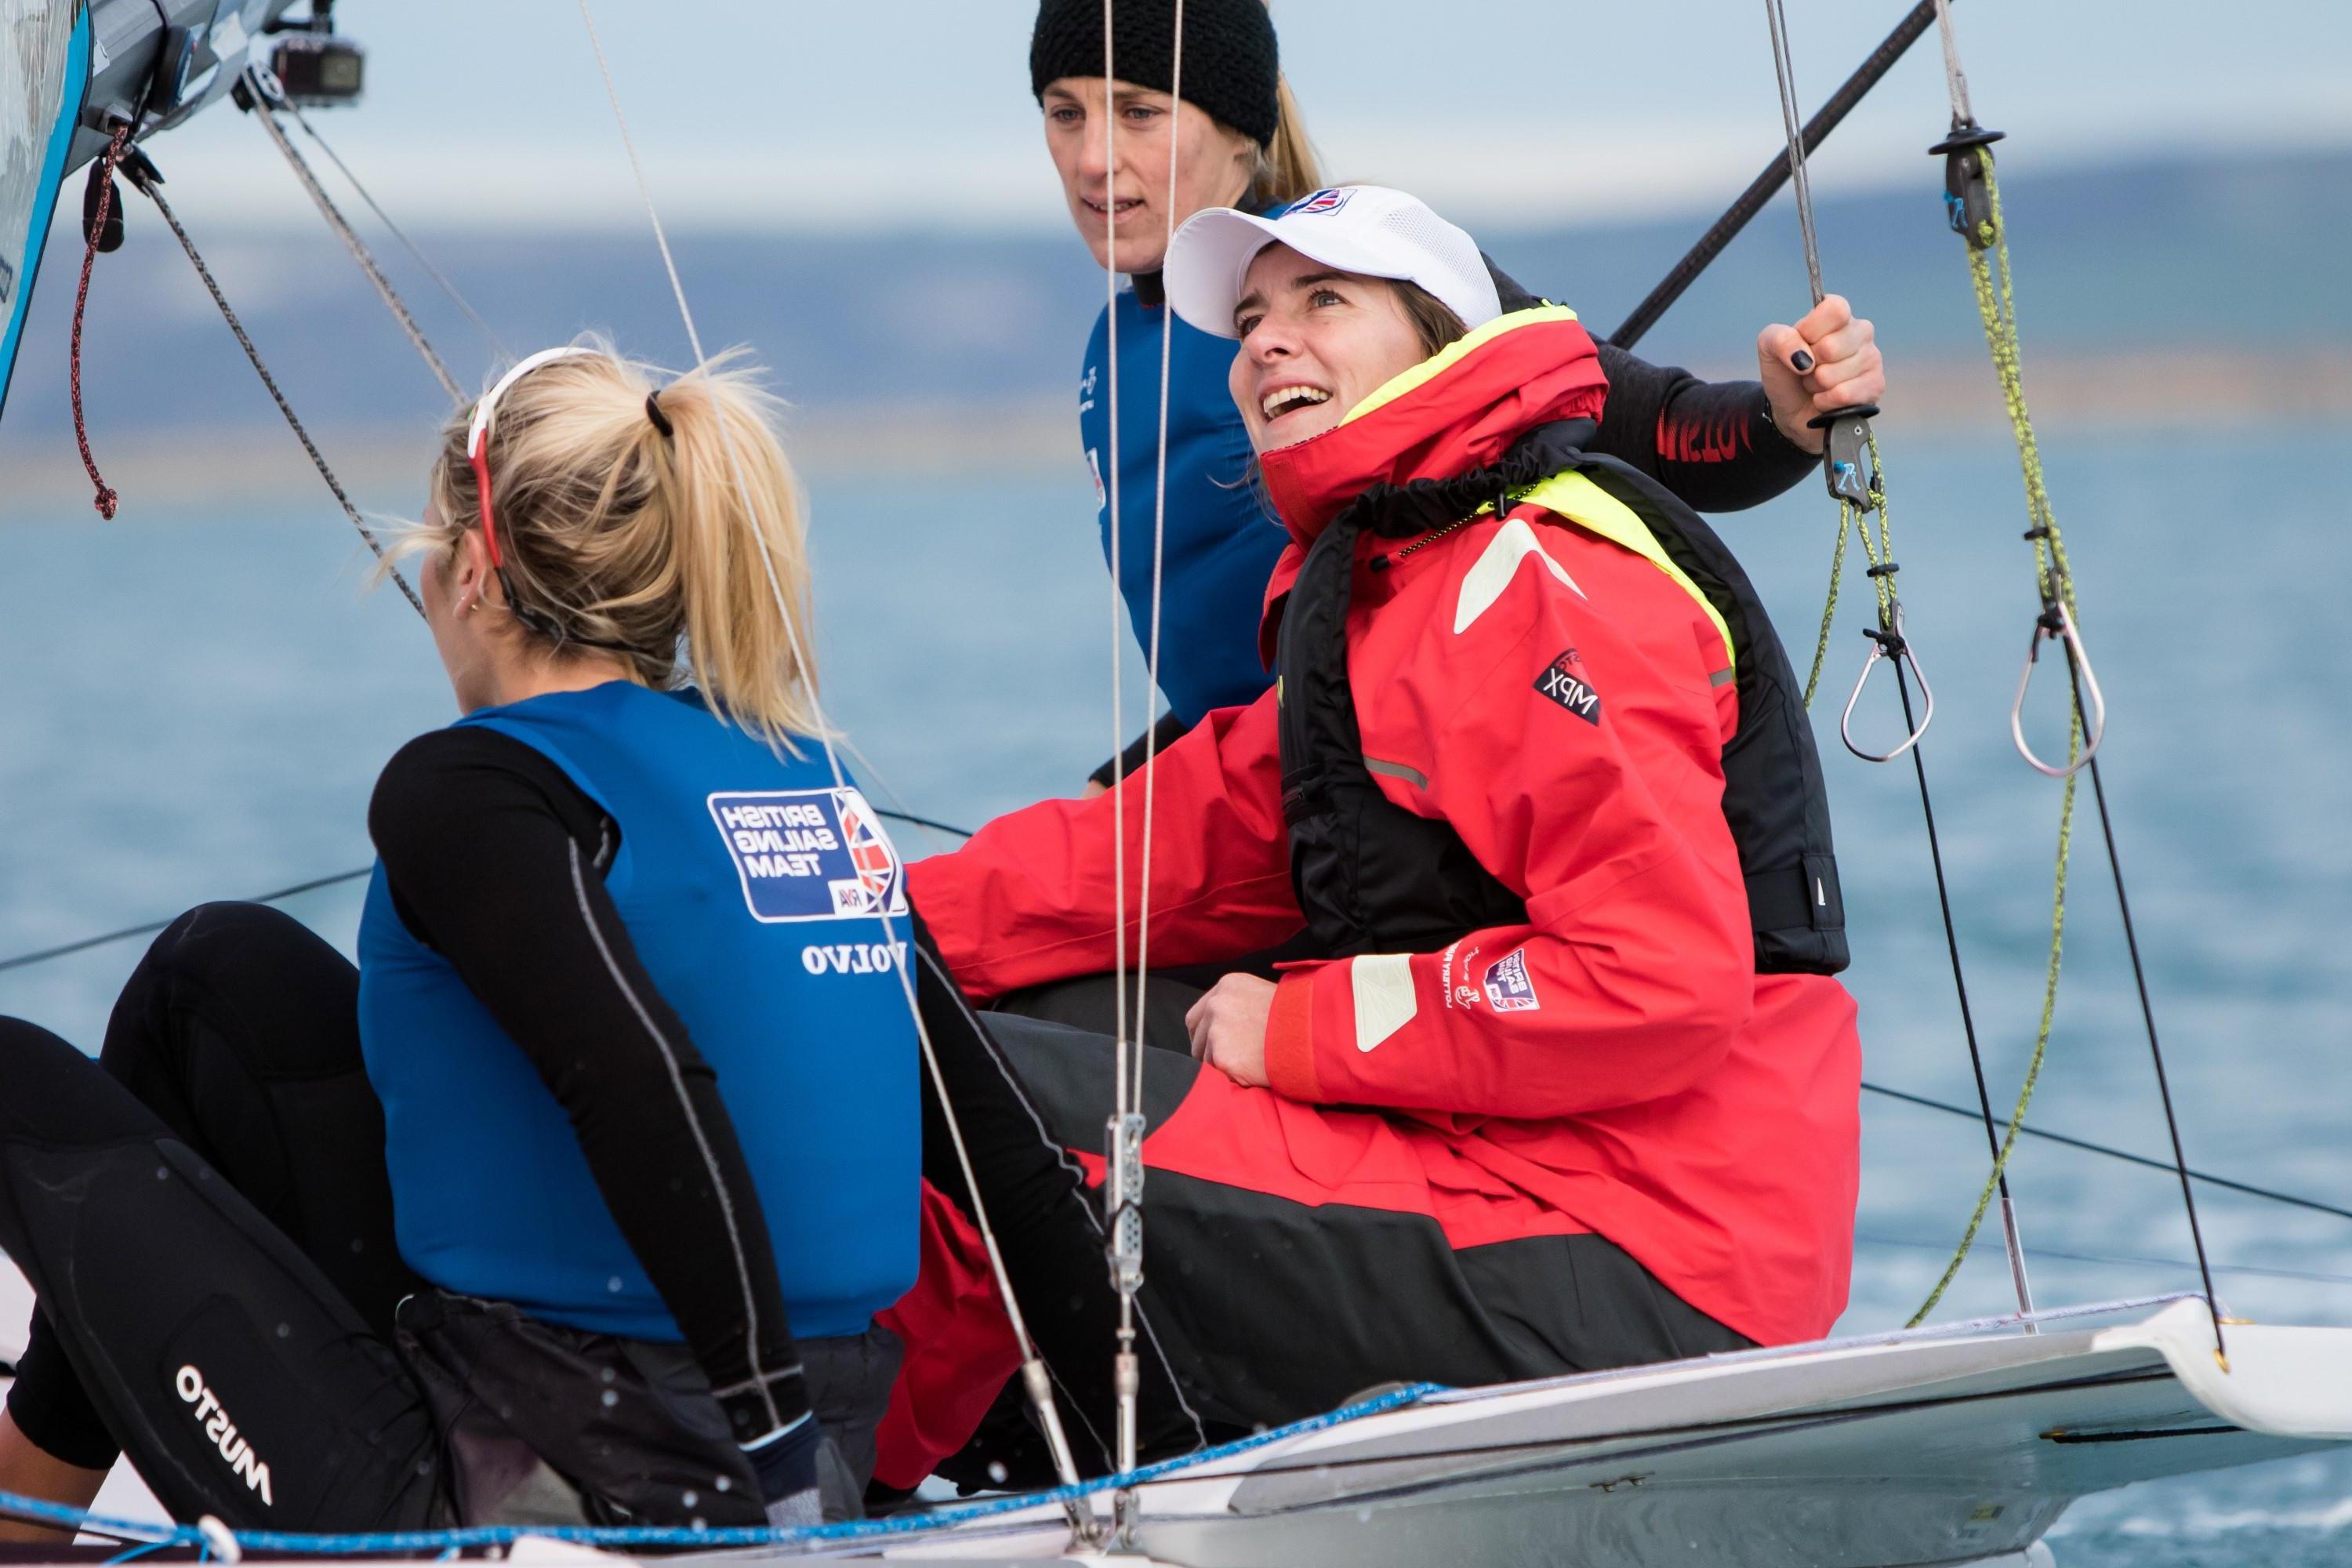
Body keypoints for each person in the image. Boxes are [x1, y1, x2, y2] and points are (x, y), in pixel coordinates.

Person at [869, 188, 1862, 1490]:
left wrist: (1303, 1034)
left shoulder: (1541, 585)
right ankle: (907, 1460)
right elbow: (1176, 842)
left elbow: (1654, 982)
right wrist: (860, 936)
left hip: (1650, 1252)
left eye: (1324, 302)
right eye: (1252, 318)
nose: (1269, 342)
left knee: (976, 1101)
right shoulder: (1401, 580)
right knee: (948, 1020)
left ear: (1441, 338)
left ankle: (845, 1492)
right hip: (1494, 1166)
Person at [0, 345, 917, 1538]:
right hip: (775, 1429)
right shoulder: (792, 772)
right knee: (213, 978)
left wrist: (774, 1455)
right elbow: (977, 1121)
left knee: (16, 1078)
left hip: (558, 1495)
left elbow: (636, 1079)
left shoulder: (471, 786)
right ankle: (25, 1510)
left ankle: (20, 1526)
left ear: (477, 573)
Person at [1029, 0, 1886, 783]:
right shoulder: (1108, 353)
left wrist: (1786, 419)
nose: (1095, 159)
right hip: (1231, 783)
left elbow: (1640, 422)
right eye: (1065, 113)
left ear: (1238, 129)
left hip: (1373, 796)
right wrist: (1155, 762)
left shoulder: (1362, 281)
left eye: (1139, 110)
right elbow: (1235, 645)